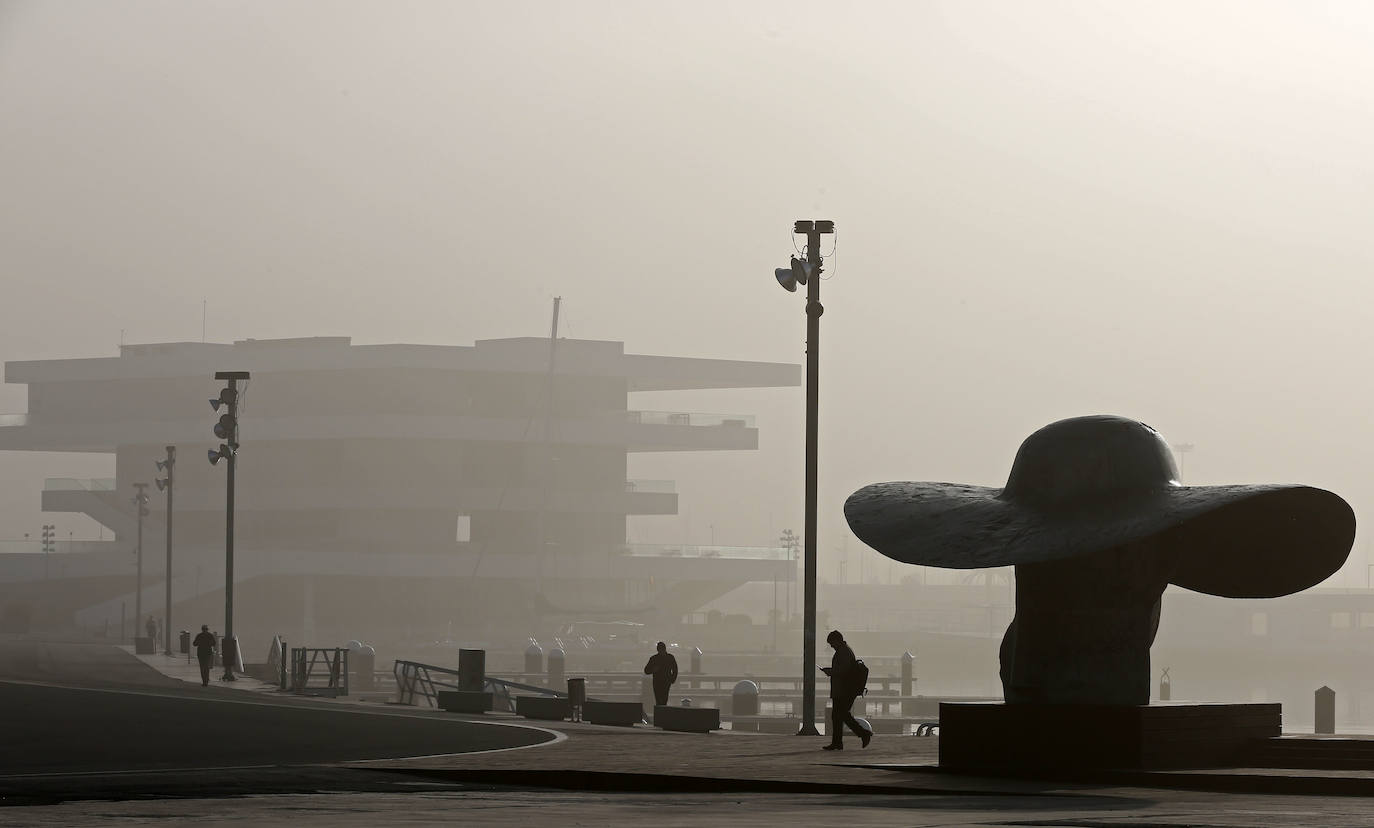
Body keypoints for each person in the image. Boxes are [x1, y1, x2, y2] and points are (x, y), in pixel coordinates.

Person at [820, 629, 872, 750]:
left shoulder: (843, 652)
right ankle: (837, 742)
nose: (831, 646)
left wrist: (830, 672)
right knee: (837, 716)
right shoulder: (843, 650)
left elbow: (843, 671)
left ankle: (864, 734)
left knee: (841, 714)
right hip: (842, 689)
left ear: (837, 640)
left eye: (832, 643)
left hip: (845, 690)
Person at [643, 641, 678, 706]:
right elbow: (646, 670)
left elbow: (675, 669)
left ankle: (660, 713)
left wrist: (672, 679)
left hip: (662, 682)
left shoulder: (655, 658)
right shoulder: (669, 657)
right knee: (660, 699)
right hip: (661, 682)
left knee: (661, 699)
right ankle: (662, 713)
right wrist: (672, 679)